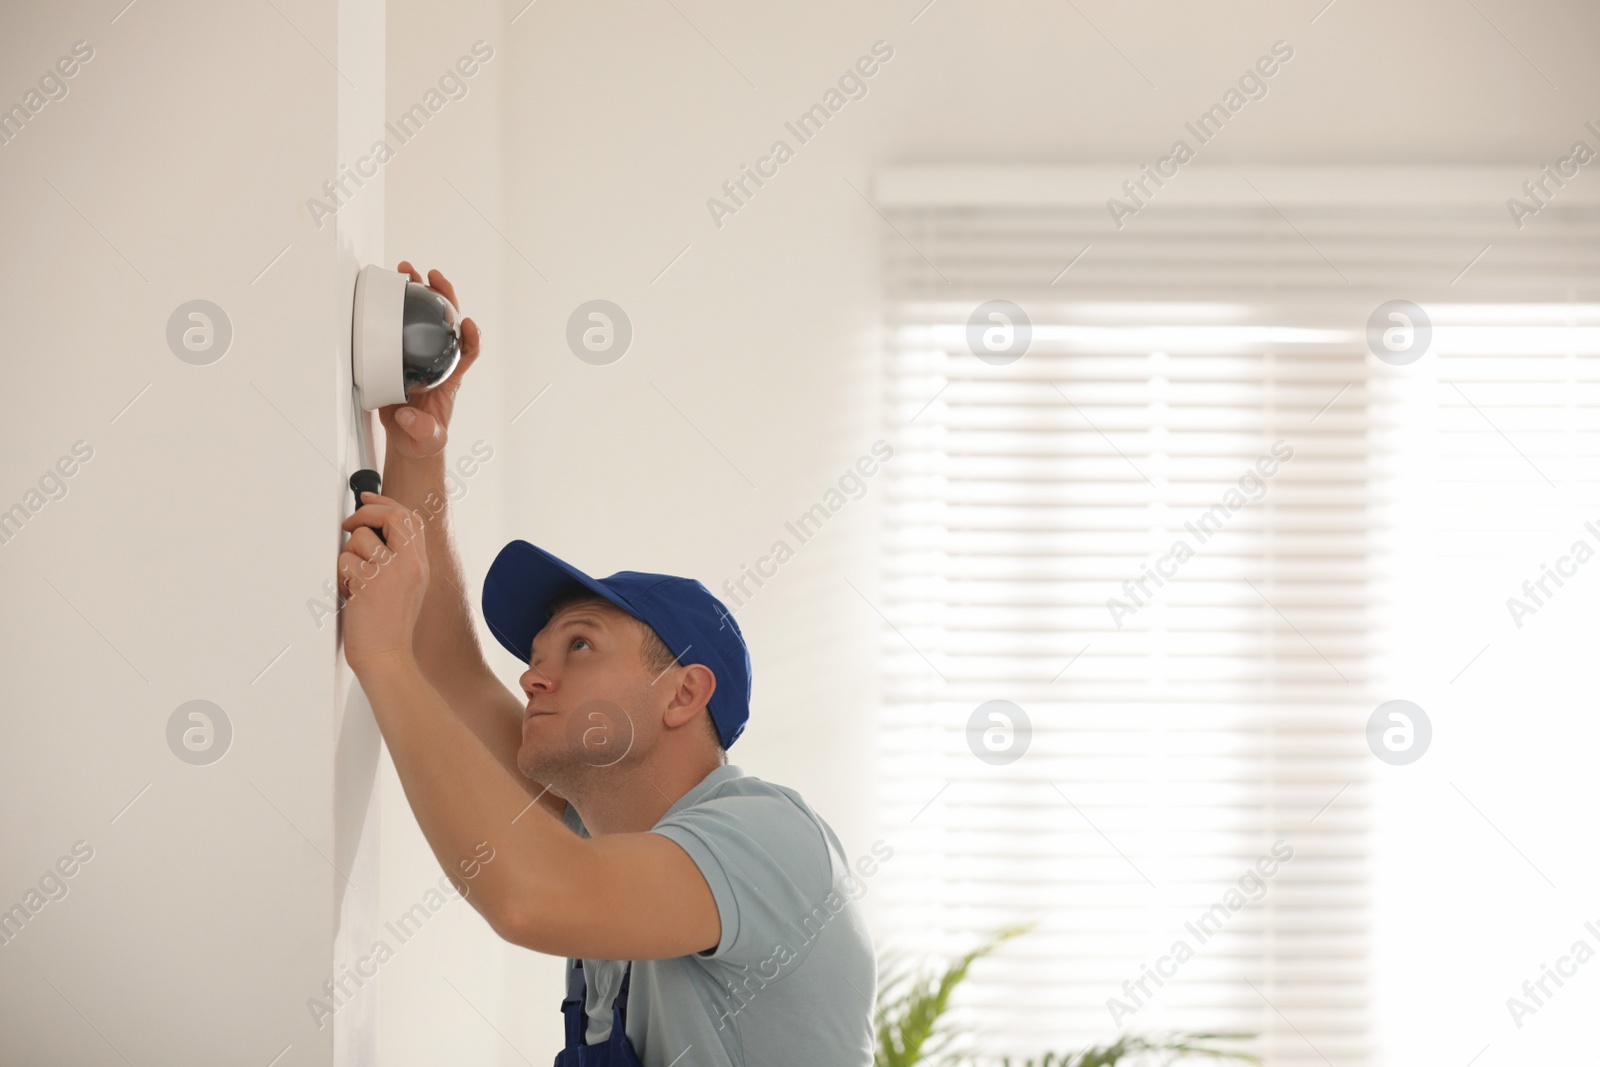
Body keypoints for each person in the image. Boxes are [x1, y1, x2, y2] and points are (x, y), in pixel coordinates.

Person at [336, 262, 876, 1066]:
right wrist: (419, 445)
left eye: (579, 644)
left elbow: (528, 895)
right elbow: (447, 671)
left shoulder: (767, 839)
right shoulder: (602, 840)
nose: (531, 676)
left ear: (683, 692)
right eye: (538, 654)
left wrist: (376, 656)